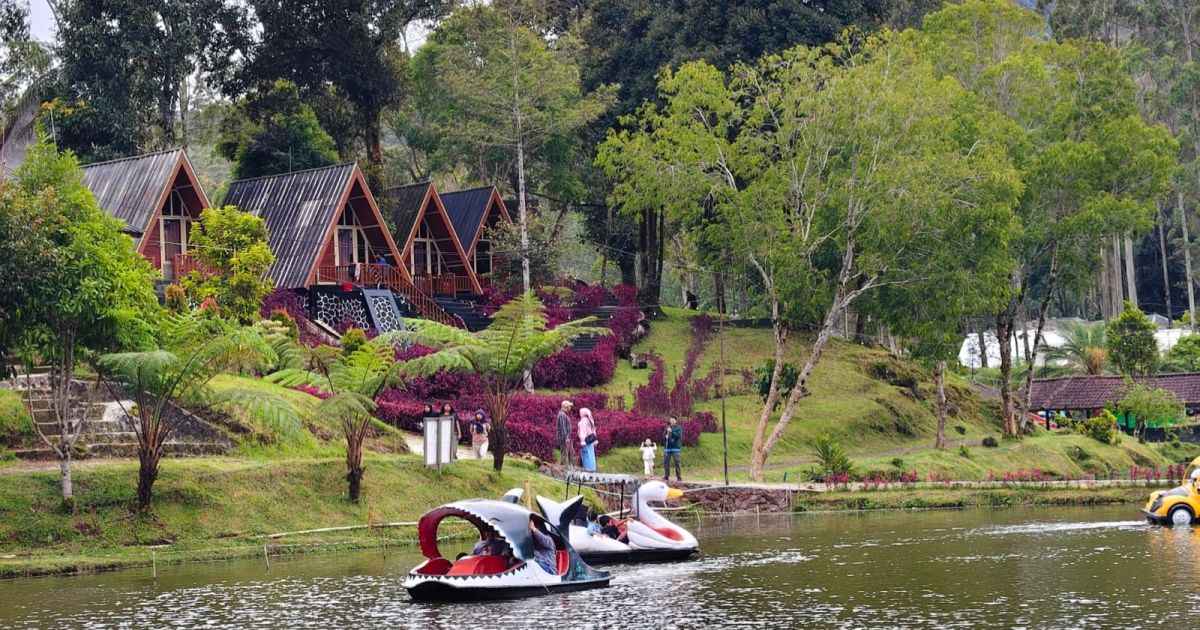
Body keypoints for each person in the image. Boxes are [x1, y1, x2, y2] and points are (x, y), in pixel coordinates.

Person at [578, 407, 598, 472]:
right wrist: (595, 440)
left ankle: (588, 469)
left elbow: (582, 432)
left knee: (586, 455)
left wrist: (582, 441)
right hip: (591, 441)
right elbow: (593, 431)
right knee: (591, 455)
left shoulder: (583, 421)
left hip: (586, 442)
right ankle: (593, 469)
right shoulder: (590, 420)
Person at [663, 416, 683, 481]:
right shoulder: (667, 427)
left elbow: (678, 436)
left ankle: (679, 476)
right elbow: (664, 436)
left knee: (677, 462)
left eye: (673, 420)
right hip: (667, 447)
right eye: (670, 420)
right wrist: (665, 436)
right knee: (666, 462)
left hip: (675, 448)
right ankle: (666, 476)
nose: (671, 421)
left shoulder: (678, 428)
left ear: (675, 421)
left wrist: (672, 432)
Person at [556, 400, 574, 470]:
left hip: (567, 438)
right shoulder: (562, 415)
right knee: (564, 454)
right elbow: (563, 427)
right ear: (566, 407)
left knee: (570, 453)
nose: (570, 408)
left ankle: (570, 468)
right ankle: (563, 470)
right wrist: (566, 438)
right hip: (564, 438)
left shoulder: (563, 414)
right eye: (570, 406)